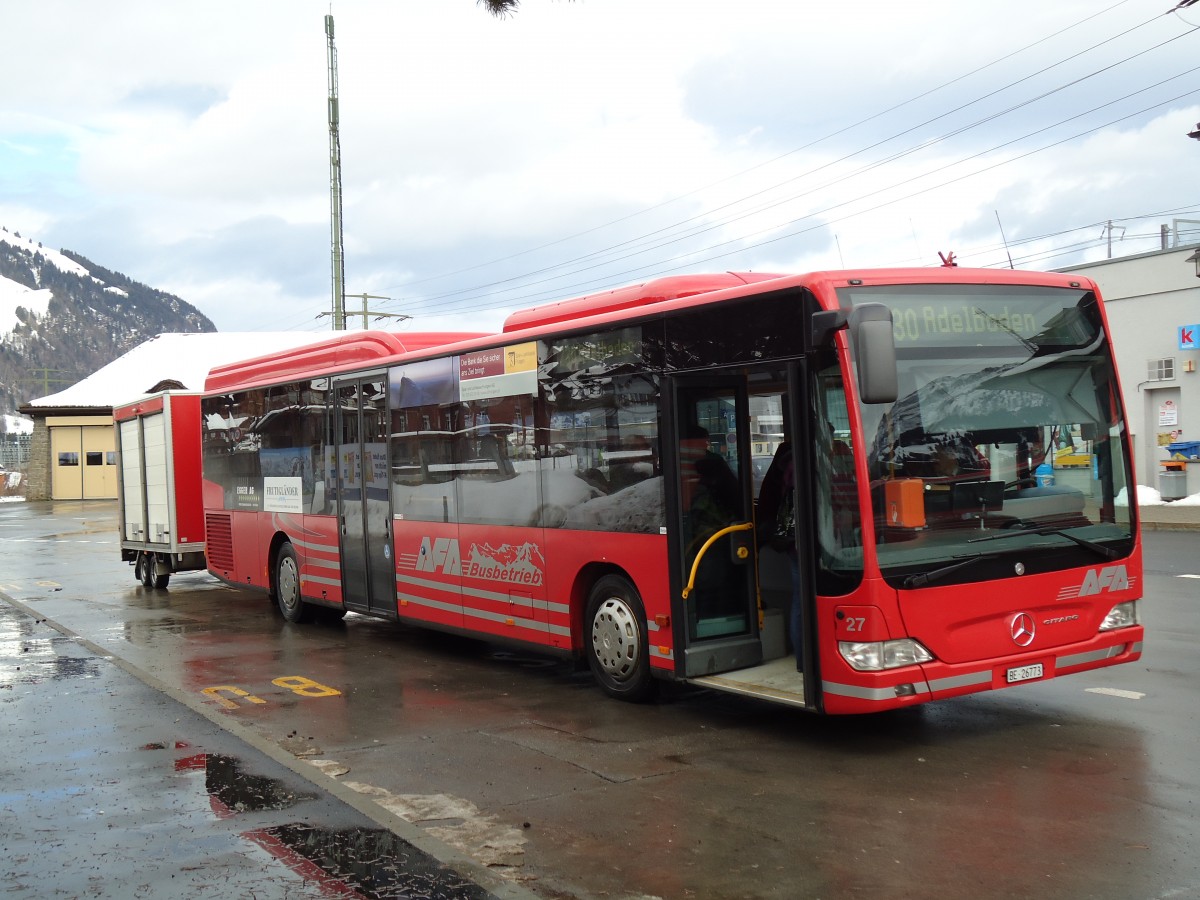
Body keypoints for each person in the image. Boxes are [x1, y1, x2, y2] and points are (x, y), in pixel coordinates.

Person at [757, 440, 803, 670]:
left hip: (791, 542)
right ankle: (805, 658)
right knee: (803, 601)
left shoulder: (782, 469)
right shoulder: (801, 464)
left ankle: (803, 658)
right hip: (801, 542)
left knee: (799, 600)